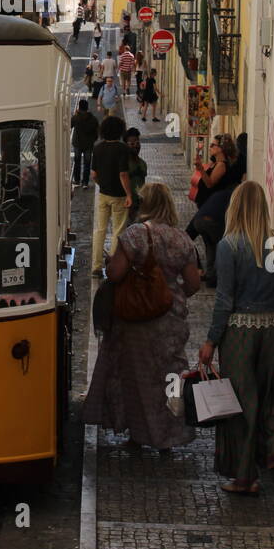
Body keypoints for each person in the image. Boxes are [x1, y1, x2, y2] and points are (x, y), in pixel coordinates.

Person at [199, 181, 274, 494]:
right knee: (265, 395)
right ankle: (264, 457)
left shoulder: (230, 246)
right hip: (272, 329)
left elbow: (224, 300)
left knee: (241, 402)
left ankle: (244, 476)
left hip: (240, 330)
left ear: (236, 207)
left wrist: (211, 341)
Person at [84, 183, 200, 450]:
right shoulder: (183, 239)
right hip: (170, 321)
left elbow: (115, 274)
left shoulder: (135, 235)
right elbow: (193, 284)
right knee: (170, 376)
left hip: (137, 322)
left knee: (137, 379)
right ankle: (168, 436)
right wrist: (171, 295)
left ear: (145, 205)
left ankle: (137, 434)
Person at [187, 134, 240, 287]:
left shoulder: (222, 165)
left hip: (211, 210)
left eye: (213, 145)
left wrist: (200, 170)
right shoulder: (214, 163)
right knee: (209, 244)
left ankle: (209, 273)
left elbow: (210, 184)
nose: (210, 148)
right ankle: (210, 275)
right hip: (206, 207)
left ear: (220, 149)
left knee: (195, 237)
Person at [90, 115, 133, 277]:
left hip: (103, 194)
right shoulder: (123, 149)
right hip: (119, 196)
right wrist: (129, 194)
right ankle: (113, 265)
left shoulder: (97, 148)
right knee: (118, 230)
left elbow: (94, 174)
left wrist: (102, 184)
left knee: (100, 229)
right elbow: (123, 174)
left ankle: (96, 266)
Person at [71, 99, 99, 188]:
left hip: (77, 144)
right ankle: (85, 183)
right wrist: (93, 140)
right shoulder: (93, 119)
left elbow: (69, 125)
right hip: (88, 145)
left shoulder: (76, 117)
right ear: (87, 108)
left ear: (79, 107)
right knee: (87, 164)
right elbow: (96, 132)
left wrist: (75, 114)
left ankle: (77, 180)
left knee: (77, 162)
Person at [124, 127, 147, 219]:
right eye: (132, 144)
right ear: (126, 145)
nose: (136, 146)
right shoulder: (123, 164)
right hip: (126, 205)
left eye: (137, 143)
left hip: (140, 205)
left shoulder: (143, 163)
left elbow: (143, 183)